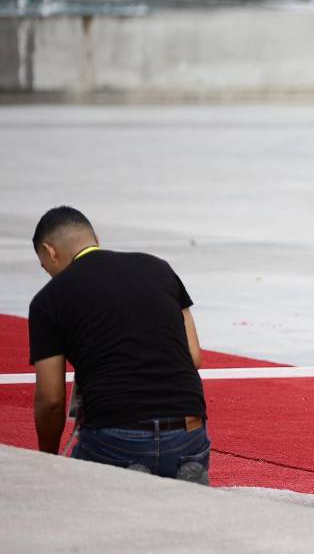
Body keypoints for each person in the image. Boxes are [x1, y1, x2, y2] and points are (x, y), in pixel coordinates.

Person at [27, 206, 211, 483]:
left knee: (72, 493)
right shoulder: (158, 268)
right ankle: (174, 472)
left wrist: (48, 460)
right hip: (188, 432)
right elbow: (194, 356)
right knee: (175, 459)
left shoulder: (49, 299)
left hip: (116, 434)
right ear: (95, 238)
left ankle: (129, 477)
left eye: (45, 266)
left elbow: (51, 400)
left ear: (50, 251)